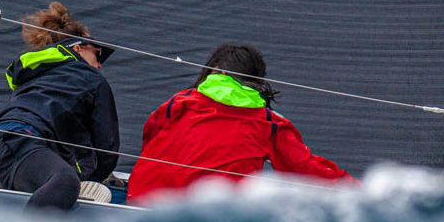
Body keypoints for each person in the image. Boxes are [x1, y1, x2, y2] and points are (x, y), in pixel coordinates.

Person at [127, 42, 355, 202]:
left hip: (142, 202)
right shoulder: (268, 123)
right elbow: (305, 169)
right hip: (205, 217)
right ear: (257, 80)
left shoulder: (178, 102)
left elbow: (150, 135)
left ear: (215, 72)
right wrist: (357, 190)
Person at [0, 2, 120, 210]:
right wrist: (86, 177)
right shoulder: (91, 77)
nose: (99, 65)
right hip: (22, 143)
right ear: (77, 48)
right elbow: (106, 150)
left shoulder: (34, 75)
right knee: (64, 182)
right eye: (97, 54)